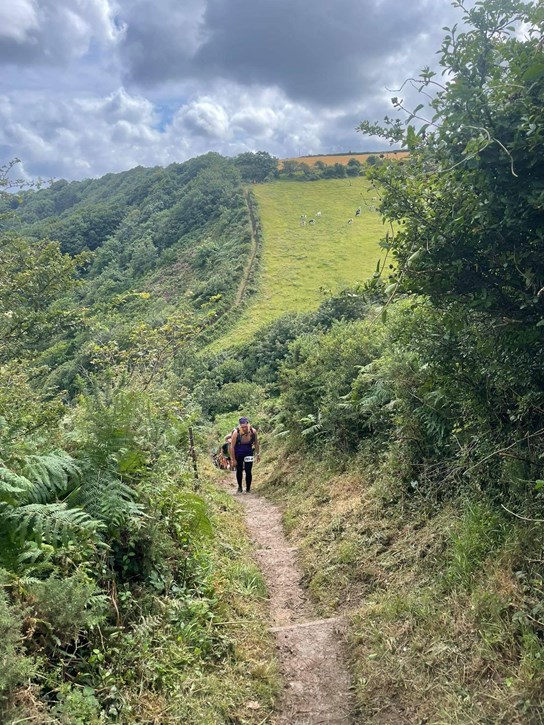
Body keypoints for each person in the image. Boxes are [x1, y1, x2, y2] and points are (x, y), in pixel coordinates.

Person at [230, 416, 260, 494]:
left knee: (248, 470)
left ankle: (248, 488)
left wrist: (258, 454)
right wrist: (233, 459)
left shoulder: (253, 431)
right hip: (238, 453)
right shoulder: (236, 433)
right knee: (239, 470)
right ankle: (240, 487)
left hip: (248, 452)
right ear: (240, 426)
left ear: (248, 424)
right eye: (242, 427)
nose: (244, 428)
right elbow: (232, 447)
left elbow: (256, 443)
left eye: (245, 427)